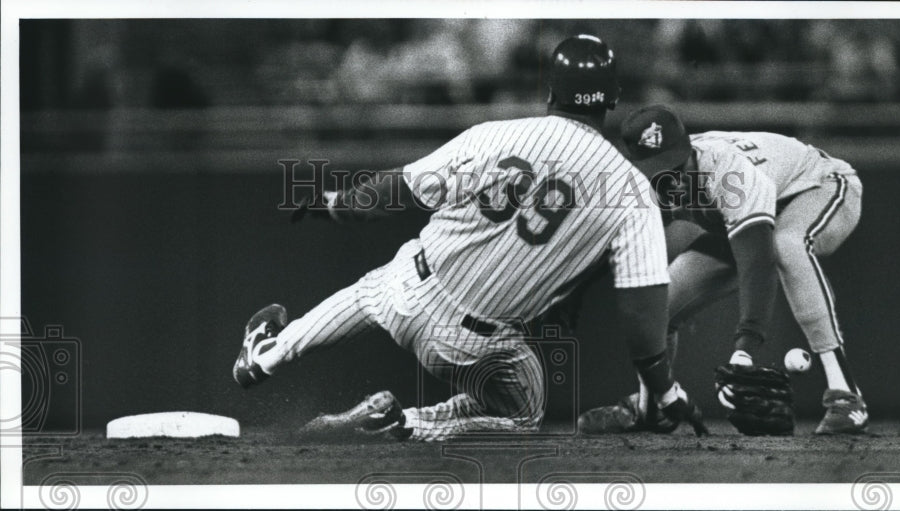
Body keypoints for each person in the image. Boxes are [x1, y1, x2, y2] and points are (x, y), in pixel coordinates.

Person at [233, 37, 706, 441]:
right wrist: (665, 391)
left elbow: (396, 190)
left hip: (409, 286)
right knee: (523, 414)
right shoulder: (631, 190)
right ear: (612, 98)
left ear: (550, 92)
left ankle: (267, 357)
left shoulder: (497, 134)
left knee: (370, 290)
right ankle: (407, 426)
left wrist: (335, 202)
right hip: (474, 343)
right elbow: (644, 317)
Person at [583, 105, 867, 435]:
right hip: (751, 220)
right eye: (660, 170)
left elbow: (758, 265)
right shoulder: (641, 189)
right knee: (662, 300)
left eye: (676, 164)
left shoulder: (725, 170)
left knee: (787, 244)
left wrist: (744, 351)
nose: (673, 178)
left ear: (688, 149)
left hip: (820, 186)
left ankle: (846, 396)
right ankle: (651, 409)